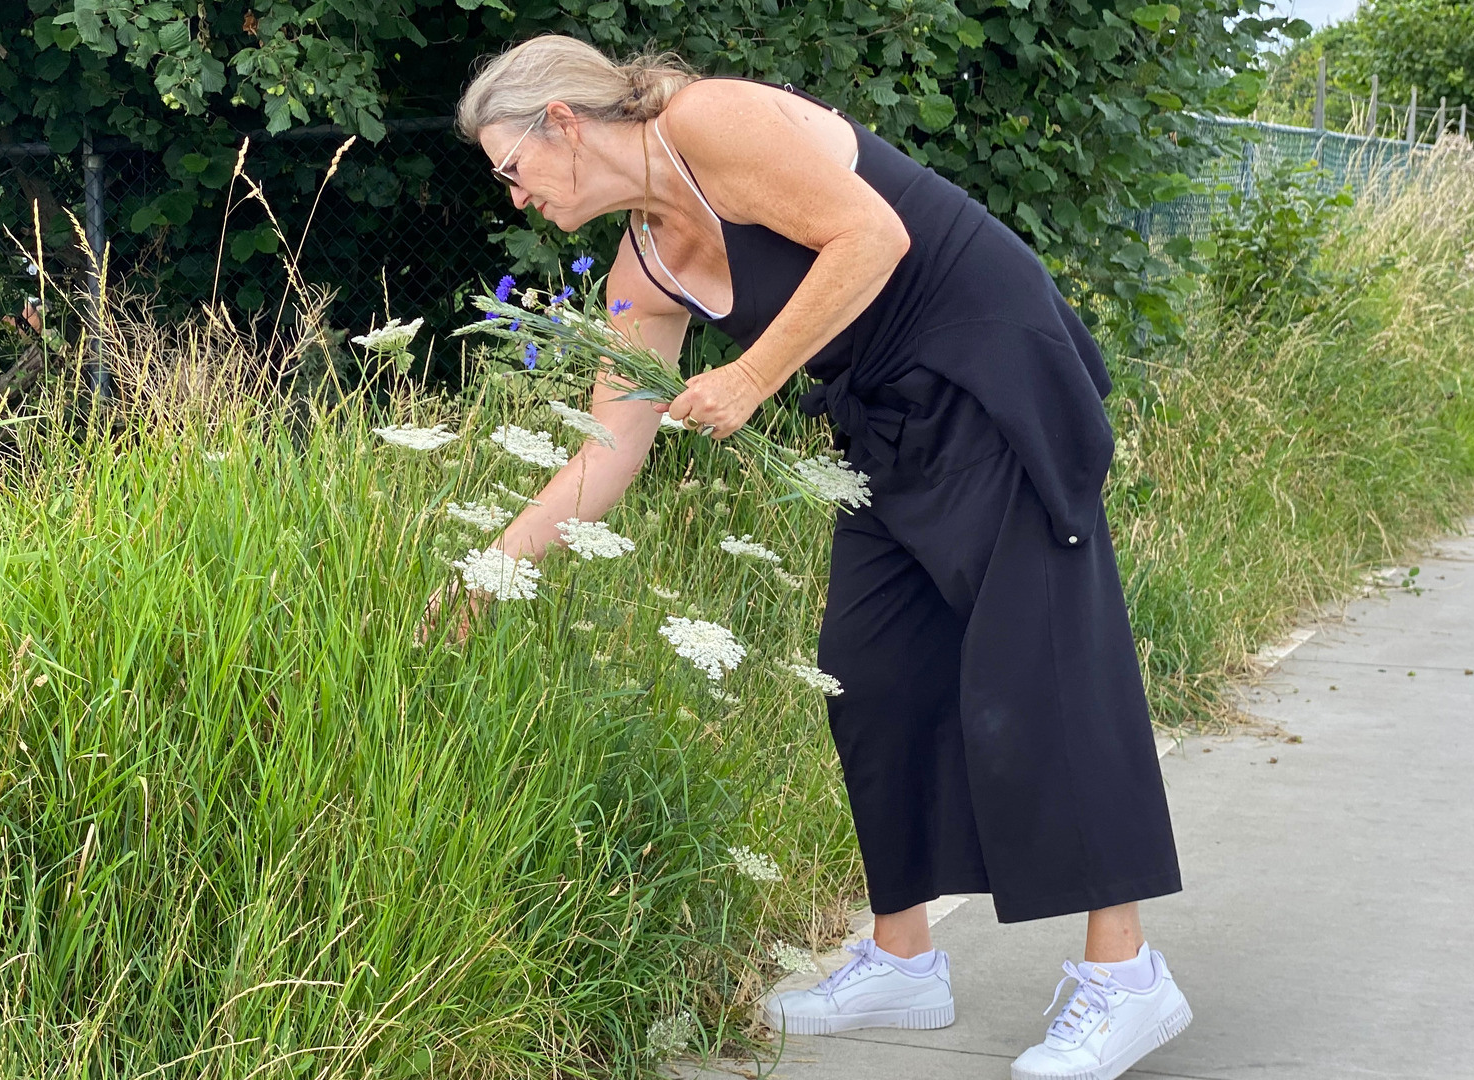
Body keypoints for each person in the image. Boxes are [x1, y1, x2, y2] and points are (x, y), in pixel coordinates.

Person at [446, 35, 1190, 1080]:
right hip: (884, 419)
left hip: (987, 369)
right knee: (869, 671)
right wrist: (484, 573)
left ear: (562, 123)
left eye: (509, 168)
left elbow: (870, 237)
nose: (512, 197)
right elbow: (611, 447)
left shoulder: (710, 122)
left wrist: (749, 377)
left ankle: (1127, 979)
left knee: (1040, 668)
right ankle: (903, 958)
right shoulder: (641, 270)